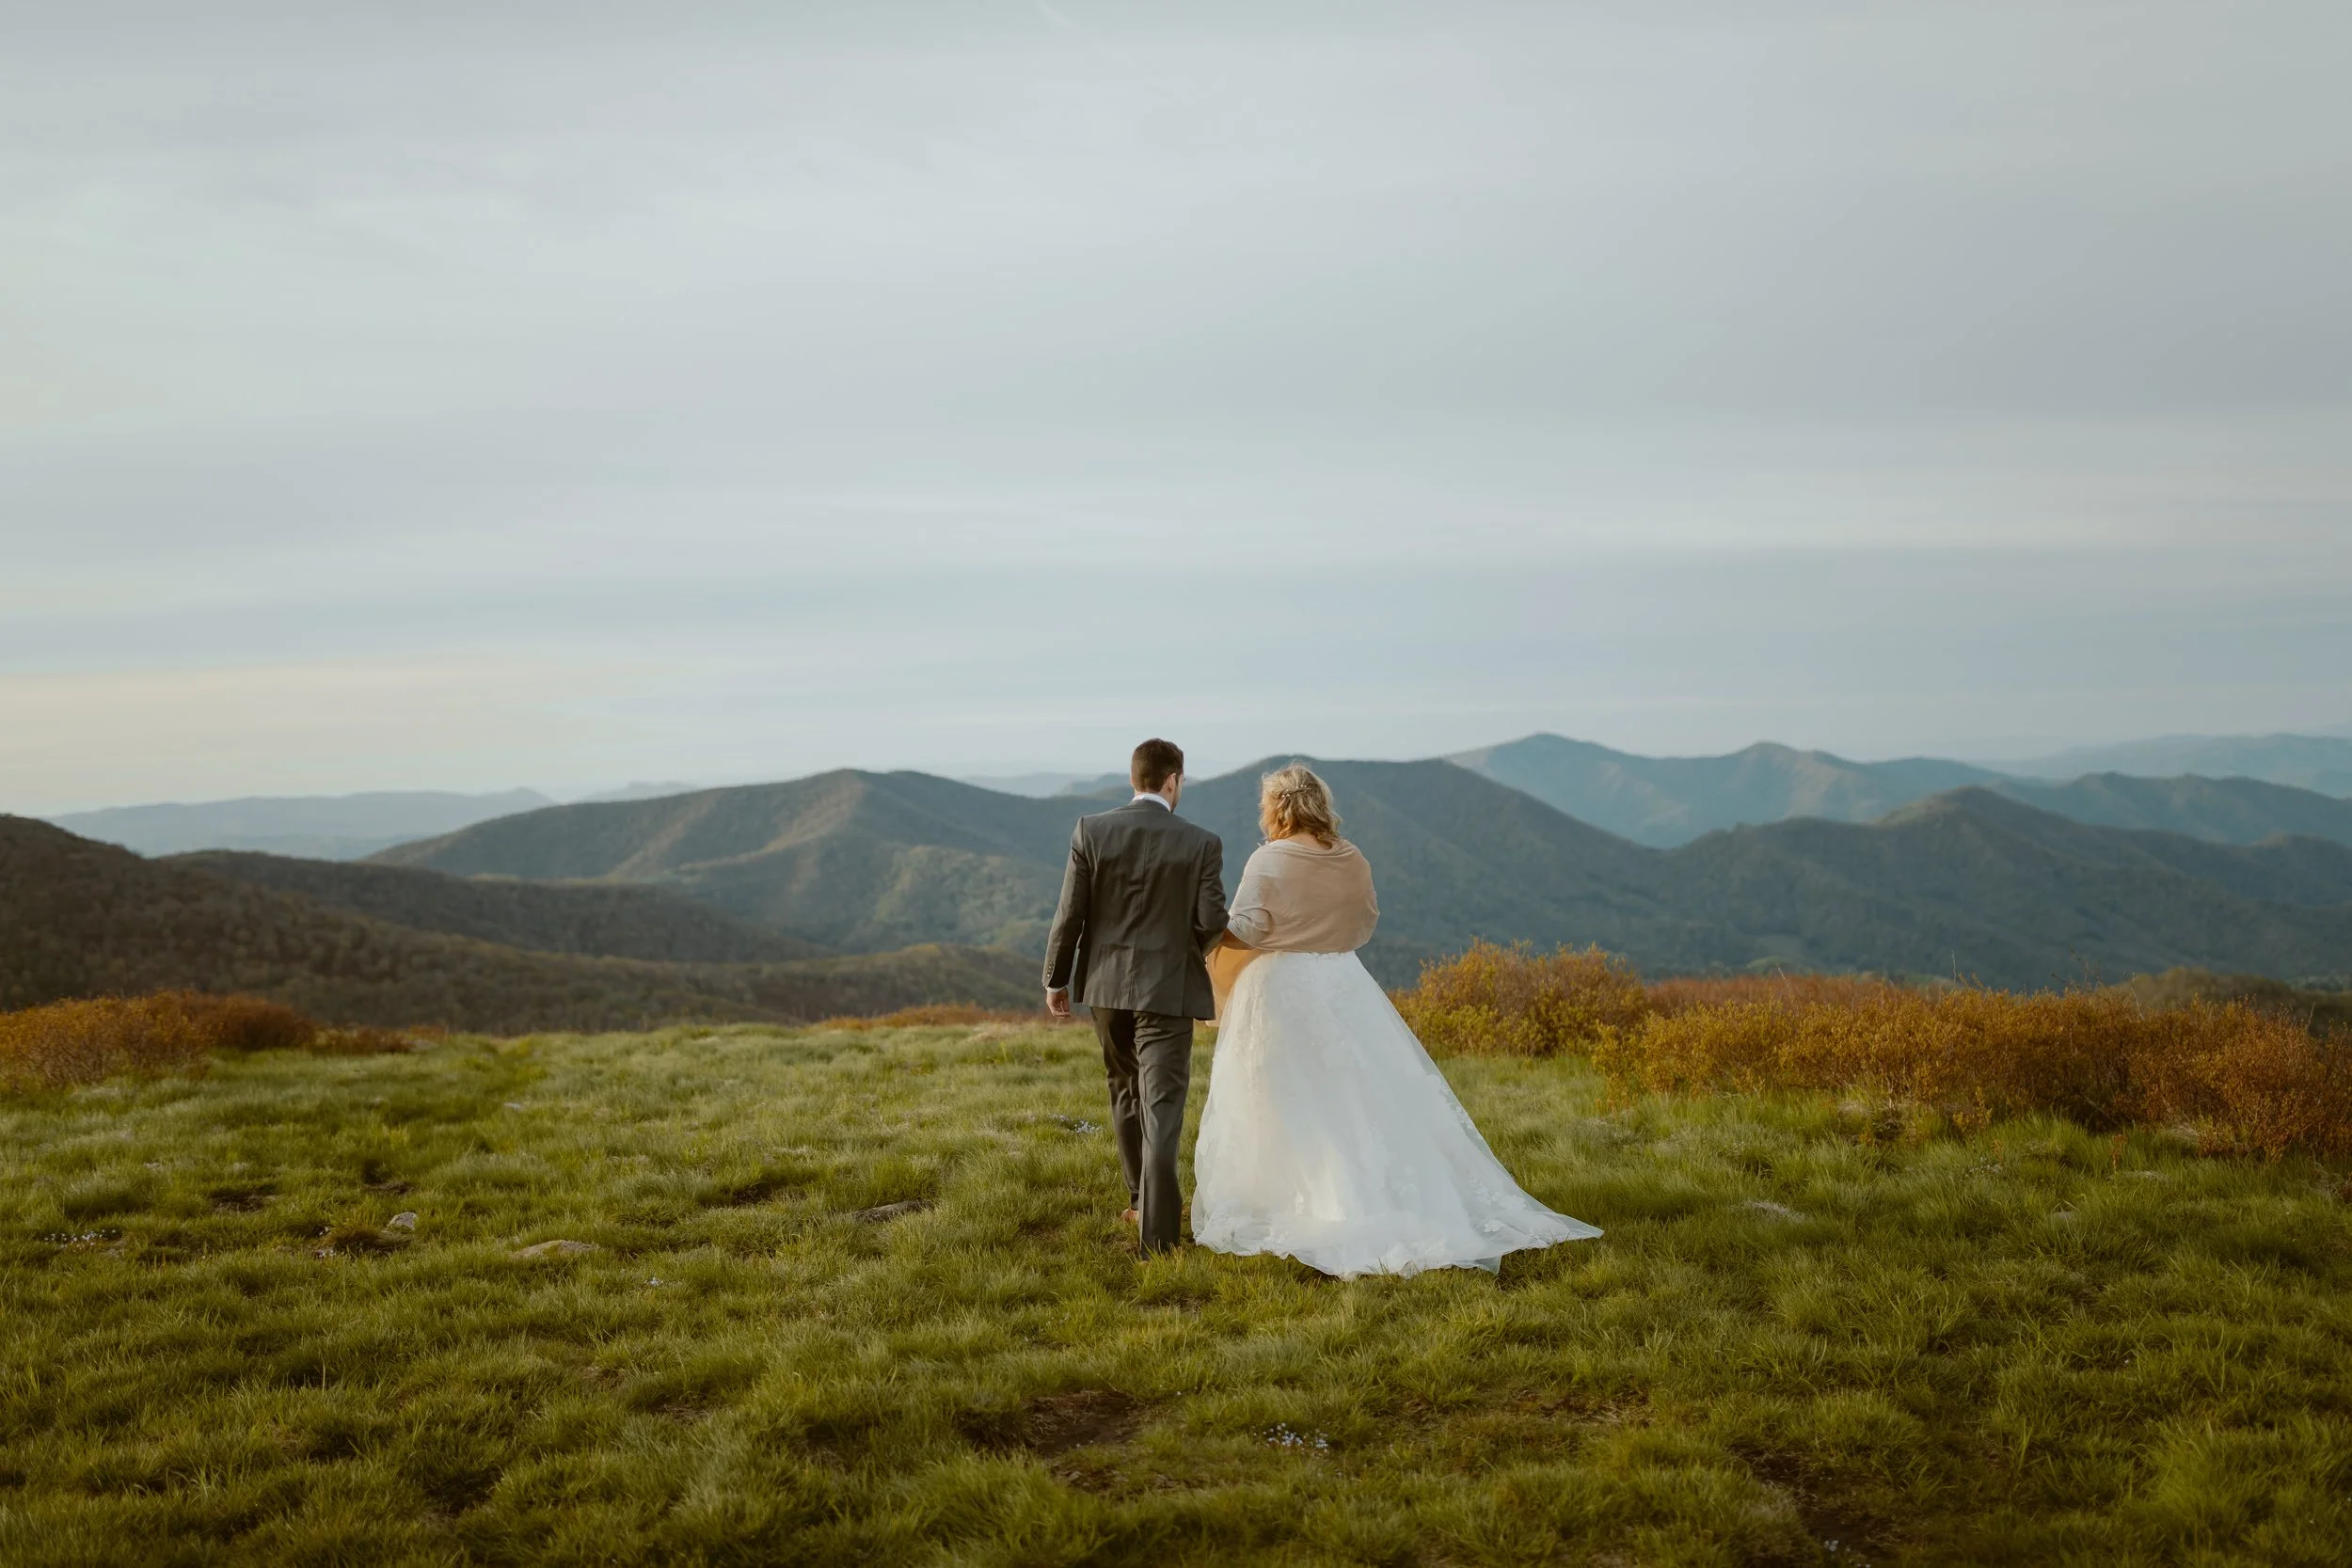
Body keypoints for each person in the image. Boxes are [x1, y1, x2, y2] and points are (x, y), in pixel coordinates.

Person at [1191, 764, 1601, 1278]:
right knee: (1358, 1093)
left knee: (1285, 1094)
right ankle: (1378, 1189)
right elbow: (1365, 920)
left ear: (1276, 809)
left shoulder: (1269, 859)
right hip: (1342, 982)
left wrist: (1205, 927)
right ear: (1319, 802)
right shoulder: (1350, 856)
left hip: (1282, 990)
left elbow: (1248, 929)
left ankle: (1300, 1196)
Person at [1041, 737, 1229, 1257]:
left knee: (1124, 1090)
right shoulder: (1202, 843)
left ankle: (1137, 1198)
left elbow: (1069, 915)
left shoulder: (1091, 831)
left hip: (1105, 987)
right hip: (1168, 989)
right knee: (1163, 1107)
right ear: (1173, 781)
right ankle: (1160, 1239)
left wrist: (1057, 980)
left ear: (1134, 780)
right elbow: (1212, 921)